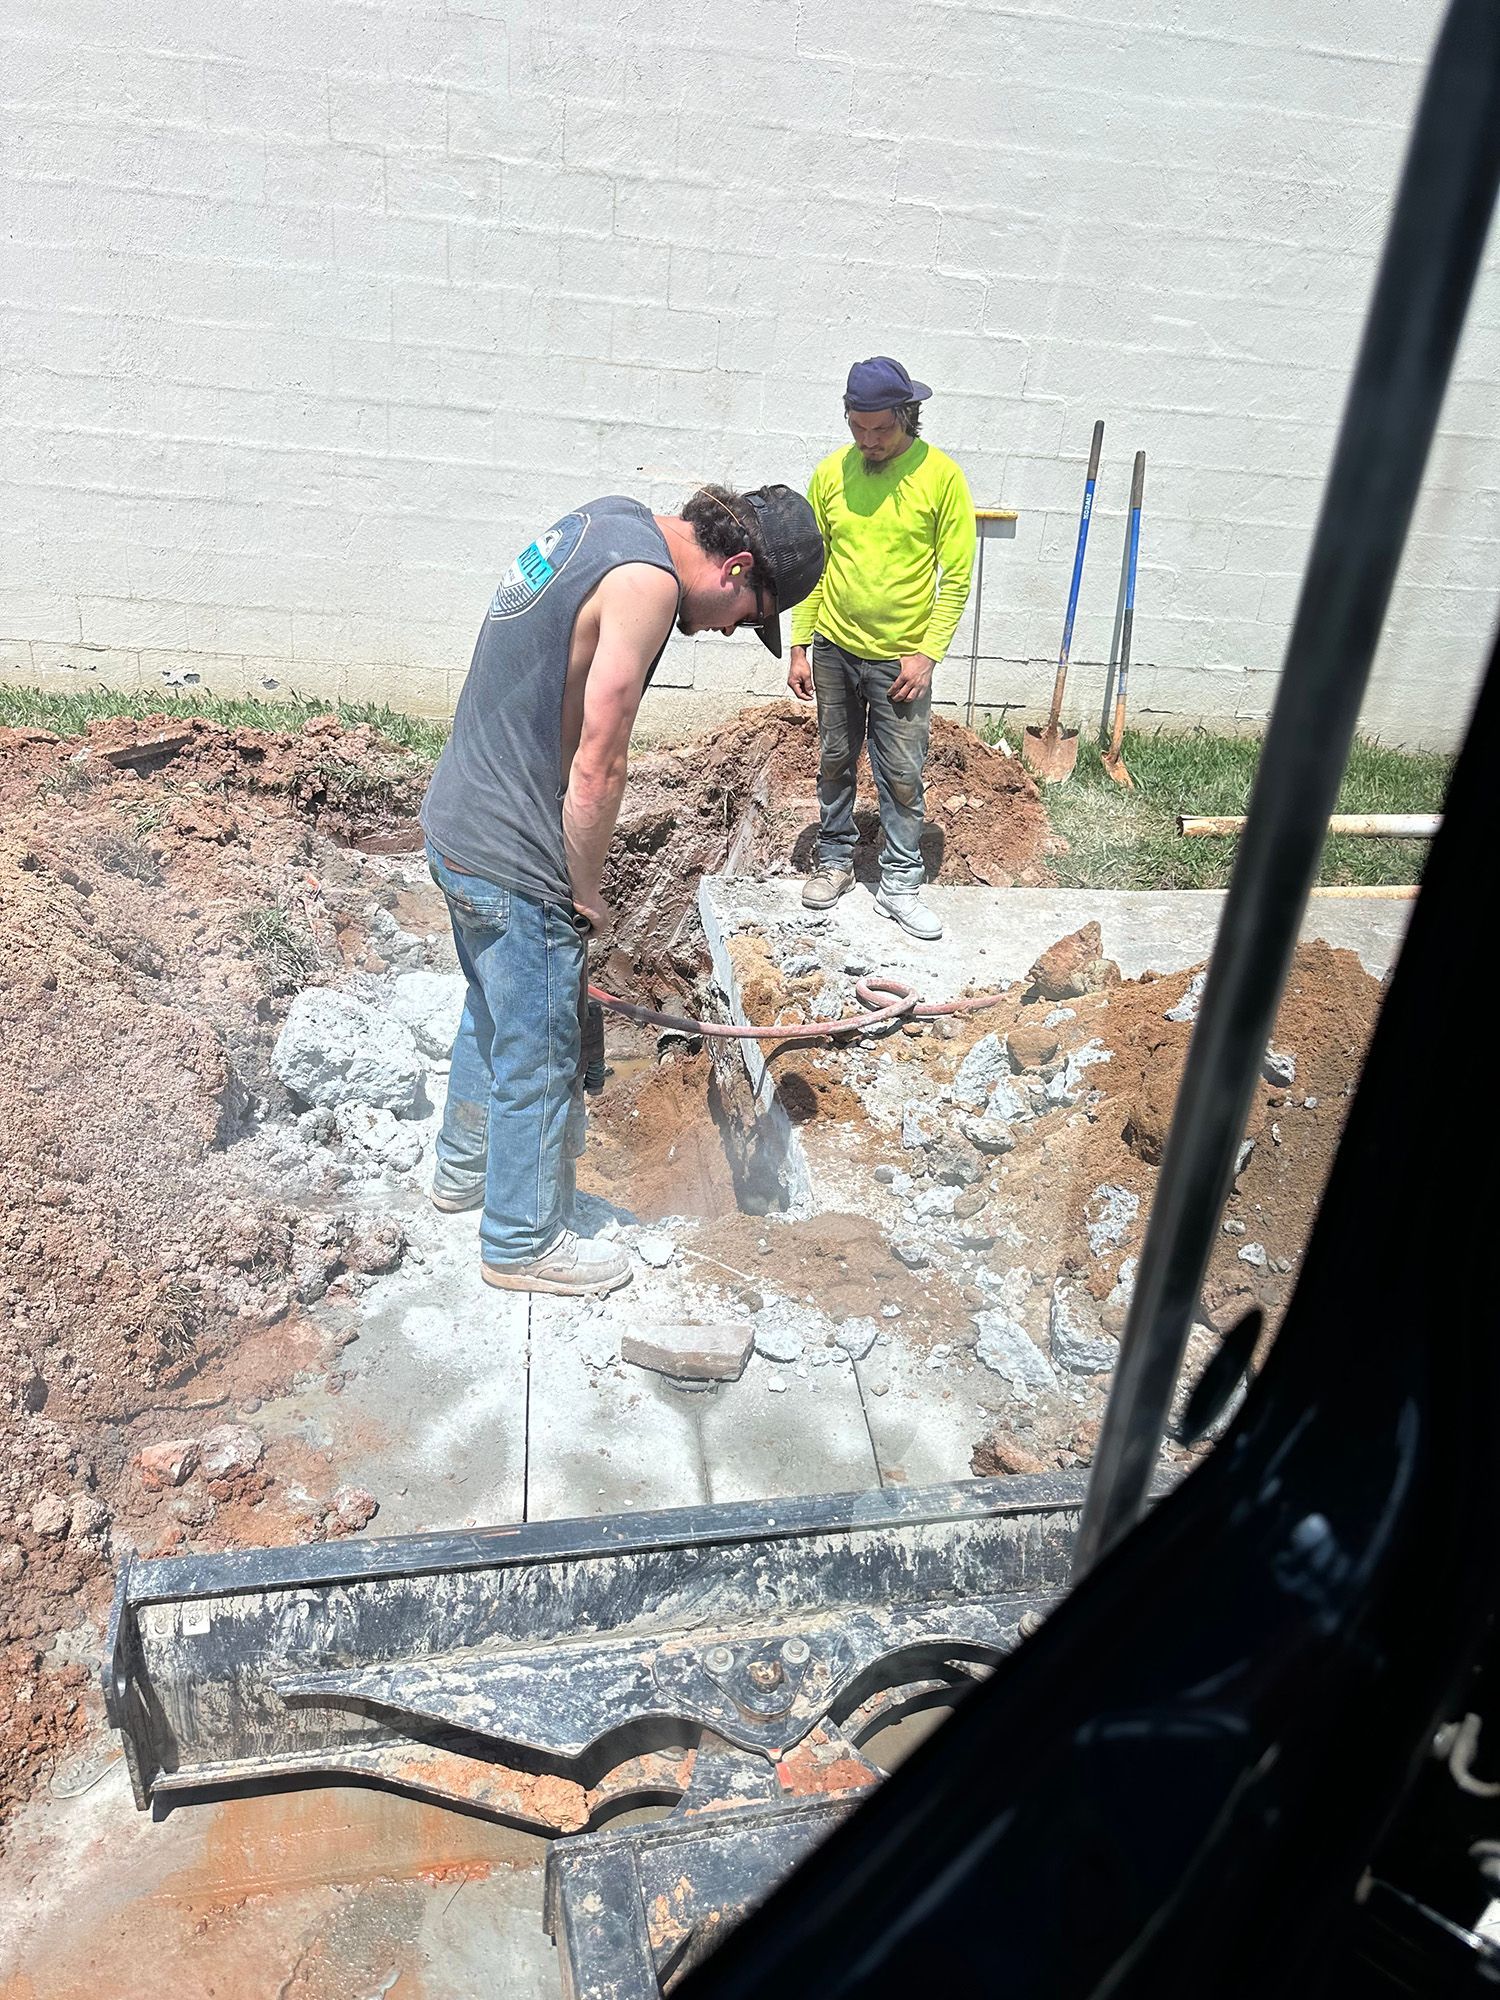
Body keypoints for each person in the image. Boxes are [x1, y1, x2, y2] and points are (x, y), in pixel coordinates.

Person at [419, 484, 825, 1297]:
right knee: (539, 1049)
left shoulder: (611, 518)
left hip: (458, 817)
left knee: (492, 1005)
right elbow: (601, 759)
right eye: (744, 617)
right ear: (736, 569)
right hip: (511, 844)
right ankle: (522, 1241)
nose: (725, 632)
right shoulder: (650, 585)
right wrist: (580, 891)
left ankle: (463, 1174)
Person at [787, 357, 976, 942]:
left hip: (901, 659)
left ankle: (899, 880)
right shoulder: (830, 475)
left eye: (881, 430)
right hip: (834, 647)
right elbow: (813, 567)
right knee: (835, 759)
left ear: (907, 417)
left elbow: (958, 574)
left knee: (901, 772)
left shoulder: (941, 477)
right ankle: (836, 859)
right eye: (857, 428)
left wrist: (927, 653)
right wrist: (800, 642)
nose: (868, 441)